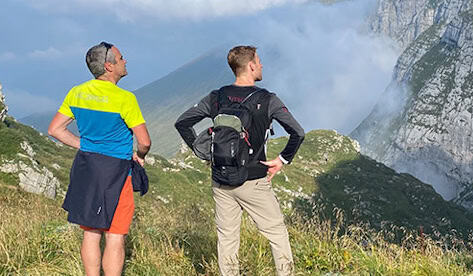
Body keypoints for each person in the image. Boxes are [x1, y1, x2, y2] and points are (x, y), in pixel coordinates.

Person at [174, 45, 304, 276]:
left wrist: (205, 153)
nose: (262, 65)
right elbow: (298, 132)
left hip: (221, 180)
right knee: (276, 233)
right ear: (251, 66)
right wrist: (282, 159)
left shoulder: (216, 97)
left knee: (227, 238)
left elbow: (182, 123)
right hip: (254, 180)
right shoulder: (267, 100)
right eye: (259, 61)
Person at [48, 42, 151, 276]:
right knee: (115, 236)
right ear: (109, 66)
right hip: (116, 171)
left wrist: (85, 145)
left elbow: (55, 130)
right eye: (121, 58)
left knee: (91, 233)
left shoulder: (77, 92)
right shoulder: (125, 98)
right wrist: (140, 156)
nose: (125, 61)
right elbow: (144, 141)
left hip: (86, 168)